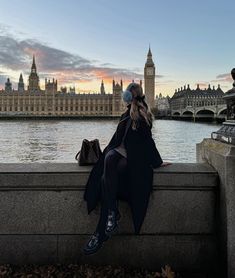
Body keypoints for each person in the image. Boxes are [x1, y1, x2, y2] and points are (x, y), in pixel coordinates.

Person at [83, 82, 171, 255]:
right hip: (118, 155)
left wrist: (157, 162)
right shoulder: (125, 114)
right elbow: (116, 140)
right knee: (107, 161)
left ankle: (102, 230)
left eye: (125, 93)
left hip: (133, 160)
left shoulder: (142, 114)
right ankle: (112, 214)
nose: (123, 96)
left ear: (130, 96)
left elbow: (147, 142)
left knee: (105, 175)